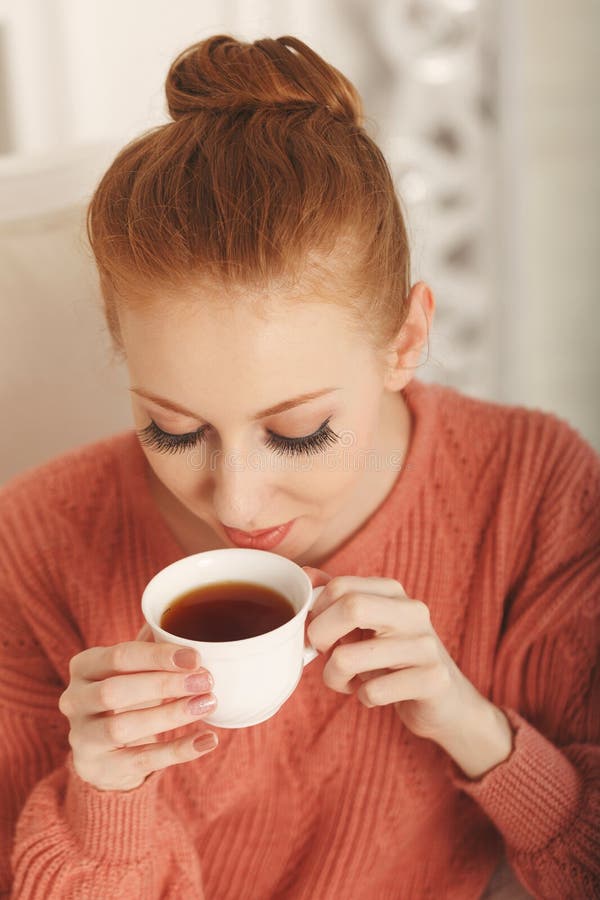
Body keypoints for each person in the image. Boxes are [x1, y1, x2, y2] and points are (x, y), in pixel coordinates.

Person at [1, 33, 598, 900]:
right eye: (172, 430)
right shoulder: (34, 541)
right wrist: (106, 794)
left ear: (406, 338)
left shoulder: (533, 487)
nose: (236, 502)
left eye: (301, 432)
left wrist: (476, 731)